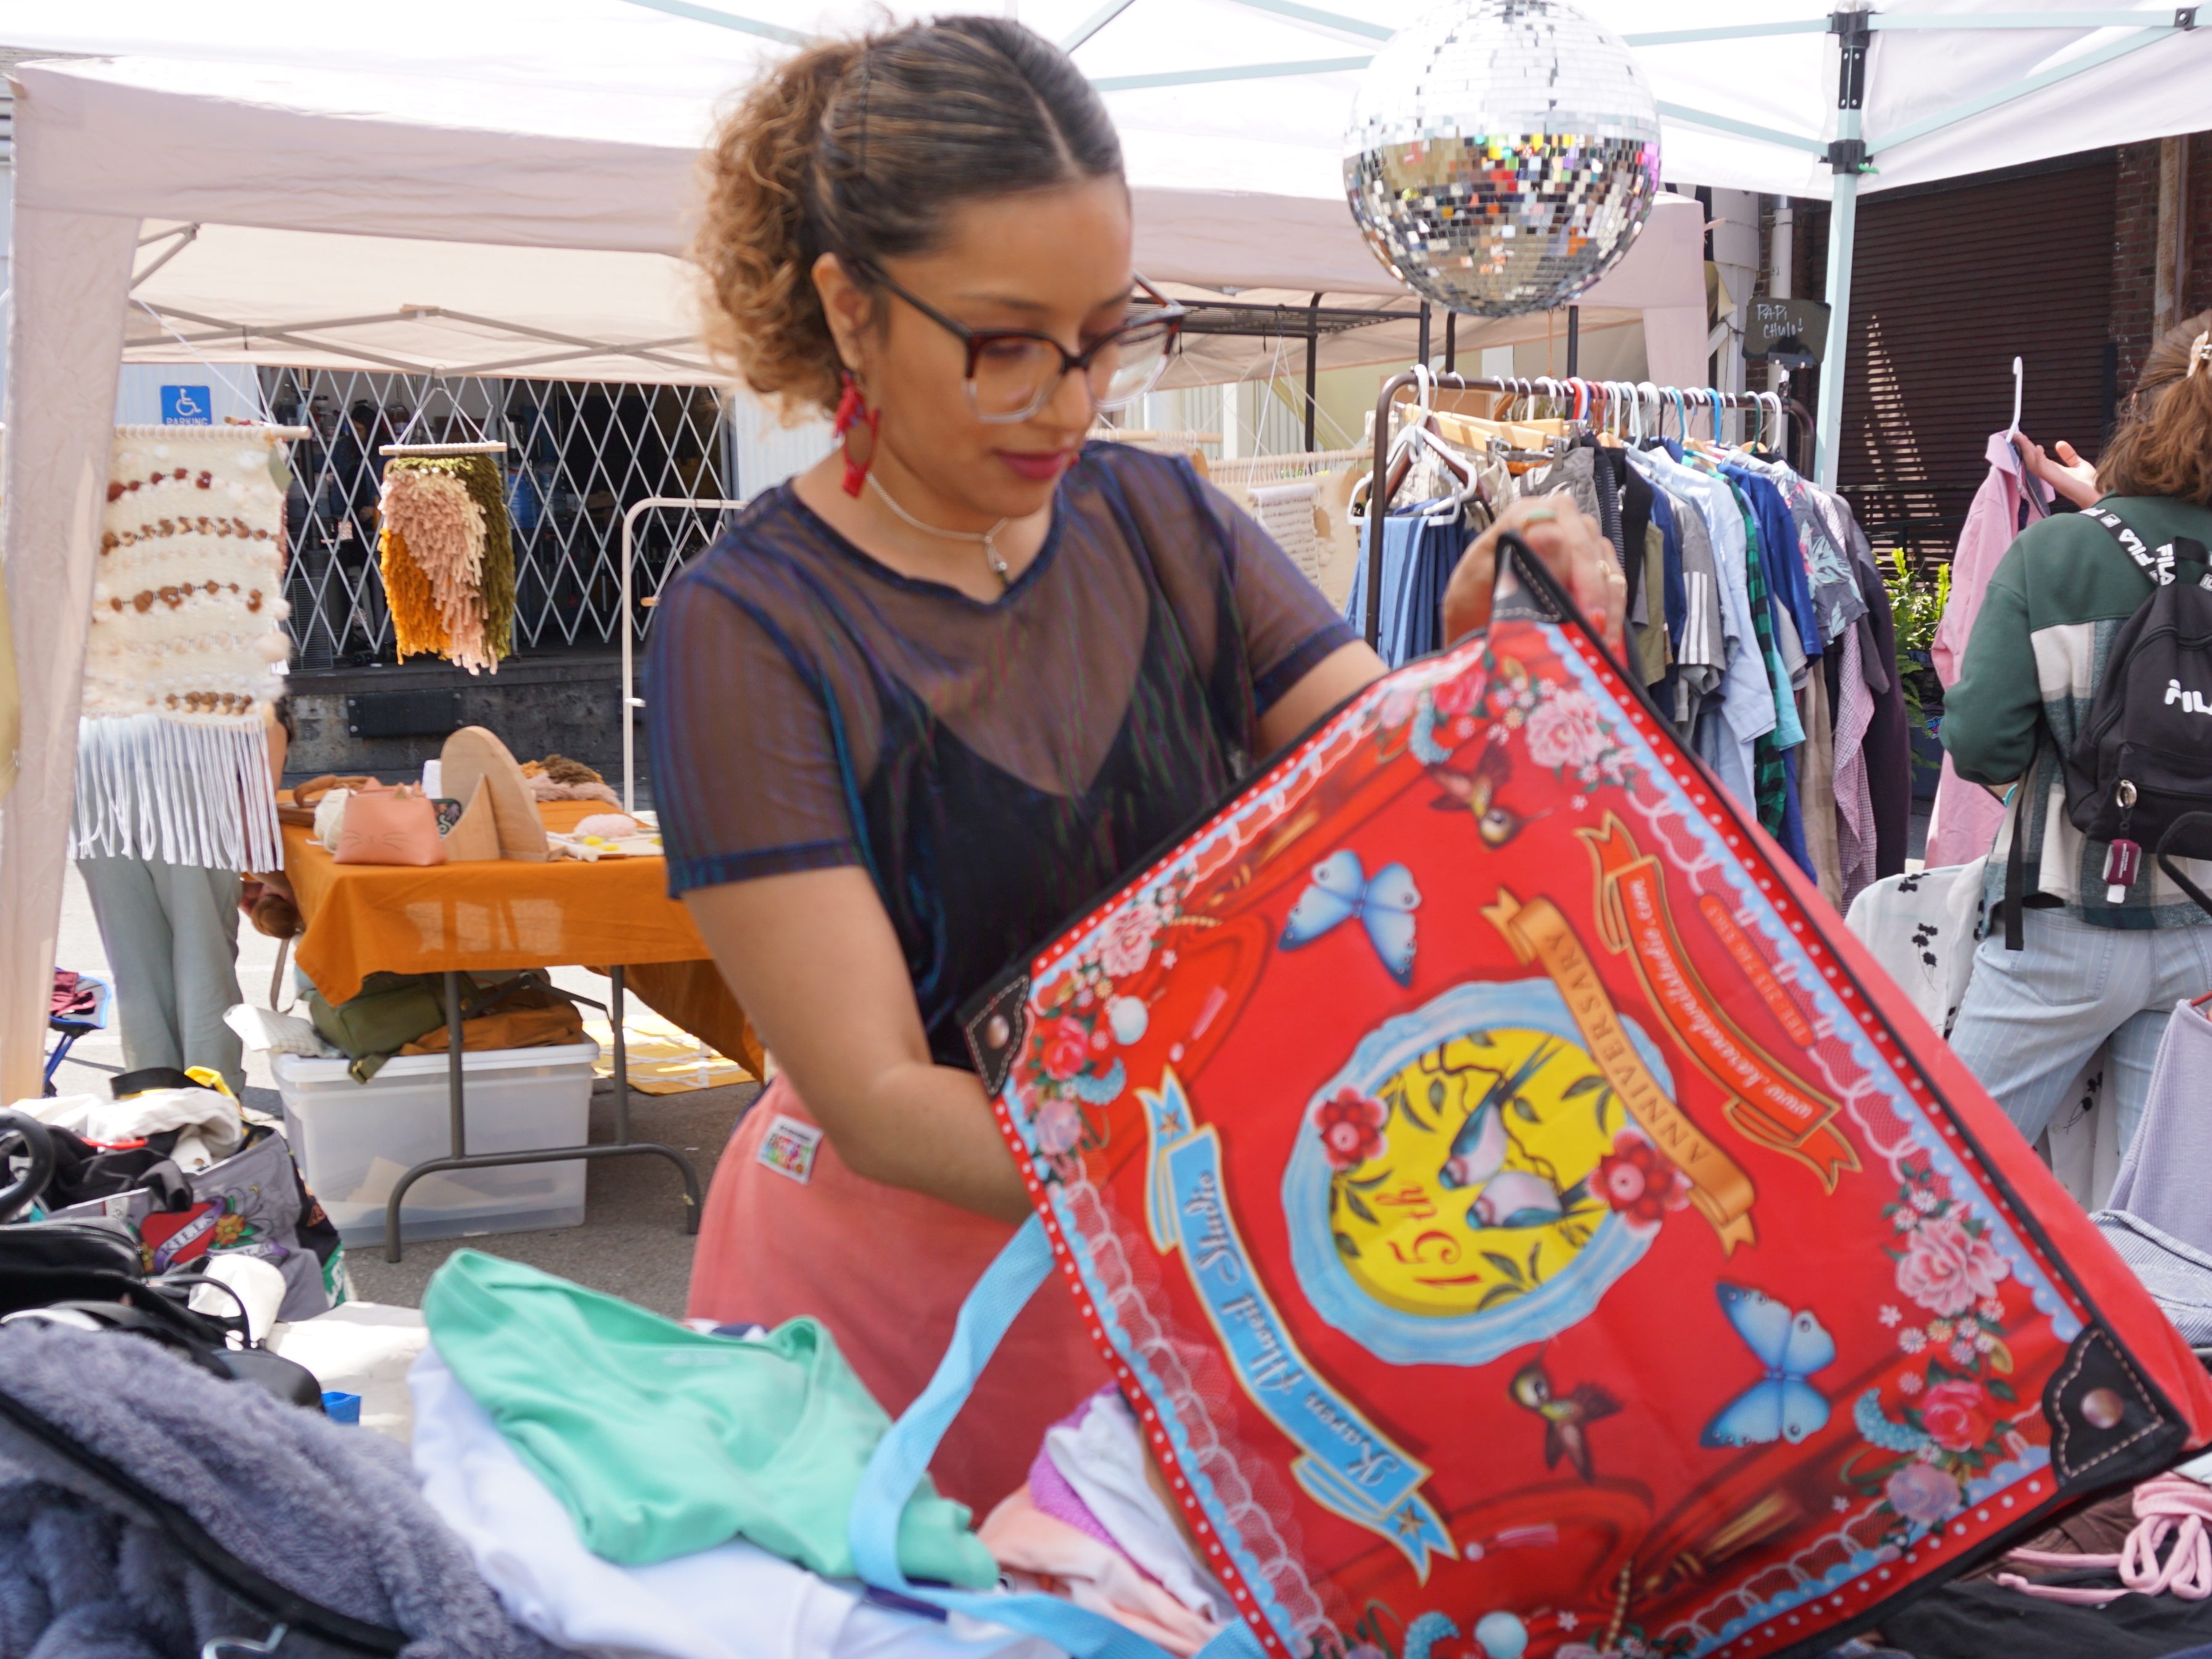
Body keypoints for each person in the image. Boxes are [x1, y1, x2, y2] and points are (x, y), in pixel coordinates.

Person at [646, 15, 1624, 1510]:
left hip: (1181, 1275)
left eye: (1104, 336)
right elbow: (880, 1100)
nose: (1068, 401)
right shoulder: (749, 630)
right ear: (850, 310)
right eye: (1003, 346)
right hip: (892, 1313)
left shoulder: (1166, 529)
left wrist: (1483, 663)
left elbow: (1400, 811)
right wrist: (1227, 1187)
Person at [1946, 311, 2212, 1158]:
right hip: (2204, 932)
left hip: (2058, 918)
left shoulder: (2051, 557)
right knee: (2161, 1226)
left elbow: (1980, 744)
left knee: (1949, 1179)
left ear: (2143, 410)